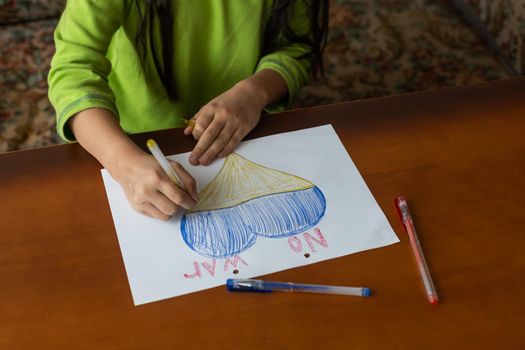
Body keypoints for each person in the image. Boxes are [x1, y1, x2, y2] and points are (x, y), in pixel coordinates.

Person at [48, 0, 328, 221]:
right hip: (128, 132)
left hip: (247, 129)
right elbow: (73, 69)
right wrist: (123, 163)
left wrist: (253, 93)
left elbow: (297, 47)